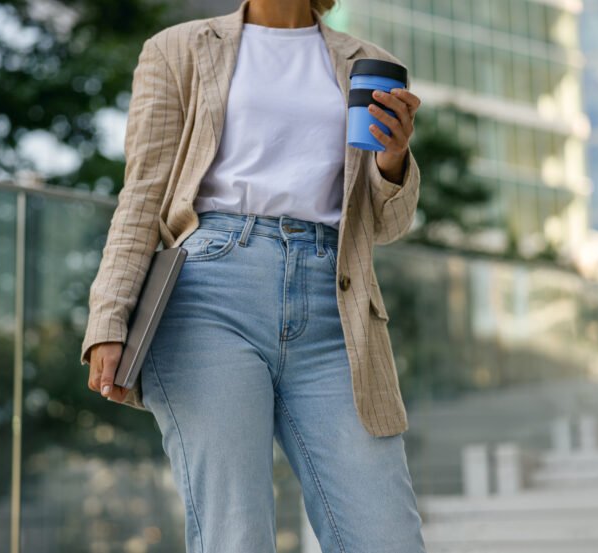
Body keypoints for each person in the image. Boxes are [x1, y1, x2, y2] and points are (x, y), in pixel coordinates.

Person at [83, 0, 426, 551]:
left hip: (335, 303)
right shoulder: (177, 49)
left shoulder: (368, 62)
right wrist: (109, 317)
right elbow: (142, 196)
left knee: (387, 536)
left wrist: (394, 159)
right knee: (235, 534)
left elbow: (387, 223)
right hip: (209, 294)